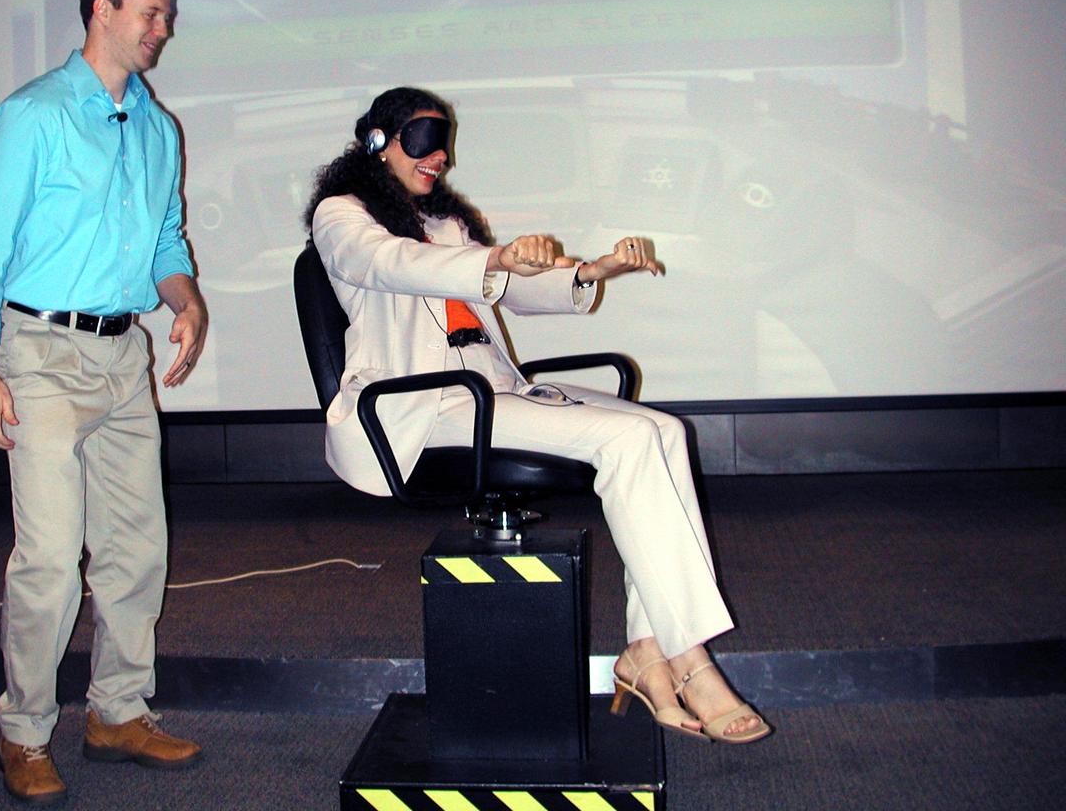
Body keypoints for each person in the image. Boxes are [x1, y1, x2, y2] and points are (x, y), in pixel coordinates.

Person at [305, 87, 770, 745]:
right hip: (420, 404)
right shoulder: (343, 215)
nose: (439, 155)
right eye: (421, 139)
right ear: (376, 143)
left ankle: (647, 647)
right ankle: (687, 658)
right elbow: (387, 264)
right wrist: (492, 258)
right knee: (632, 437)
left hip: (486, 392)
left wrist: (594, 269)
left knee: (660, 431)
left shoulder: (445, 225)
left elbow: (511, 289)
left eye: (445, 141)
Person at [0, 0, 209, 804]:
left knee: (138, 549)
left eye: (166, 16)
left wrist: (185, 300)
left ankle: (118, 713)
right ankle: (23, 732)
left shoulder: (160, 128)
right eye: (152, 14)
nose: (164, 29)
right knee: (53, 557)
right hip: (40, 355)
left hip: (122, 356)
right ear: (103, 10)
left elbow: (167, 242)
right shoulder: (34, 115)